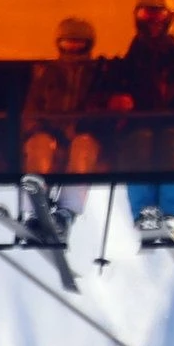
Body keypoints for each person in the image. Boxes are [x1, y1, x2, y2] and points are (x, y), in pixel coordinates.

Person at [110, 0, 174, 243]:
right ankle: (145, 214)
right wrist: (118, 102)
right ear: (138, 17)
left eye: (158, 15)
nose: (152, 21)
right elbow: (111, 89)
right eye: (146, 14)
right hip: (137, 124)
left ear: (168, 18)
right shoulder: (127, 62)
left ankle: (172, 215)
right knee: (137, 148)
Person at [15, 17, 108, 248]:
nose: (73, 49)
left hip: (83, 135)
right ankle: (34, 209)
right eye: (68, 44)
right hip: (51, 134)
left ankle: (65, 213)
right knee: (39, 144)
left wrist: (93, 126)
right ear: (59, 44)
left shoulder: (98, 74)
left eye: (79, 44)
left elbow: (106, 108)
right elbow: (31, 108)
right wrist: (35, 128)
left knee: (83, 147)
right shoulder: (47, 74)